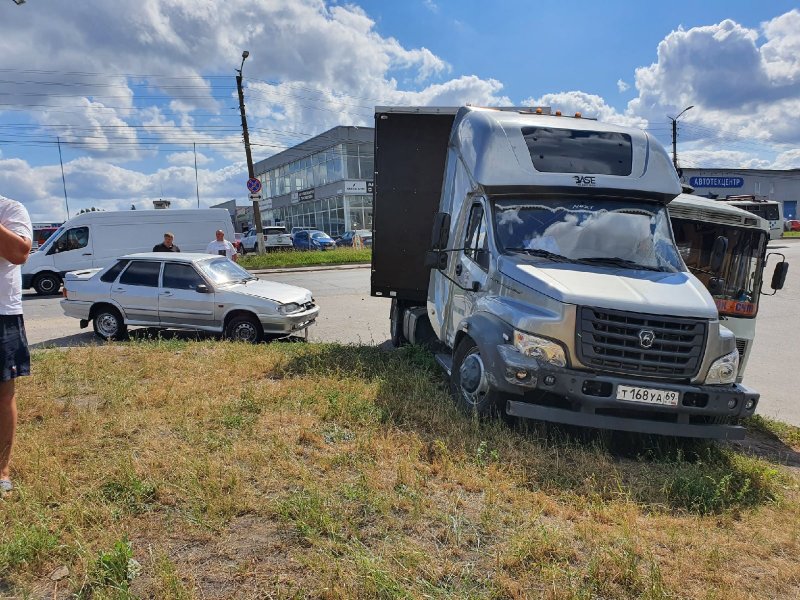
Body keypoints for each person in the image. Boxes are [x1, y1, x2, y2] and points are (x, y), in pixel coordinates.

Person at [0, 195, 33, 494]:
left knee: (2, 392)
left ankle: (1, 470)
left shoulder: (10, 209)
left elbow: (19, 253)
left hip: (2, 314)